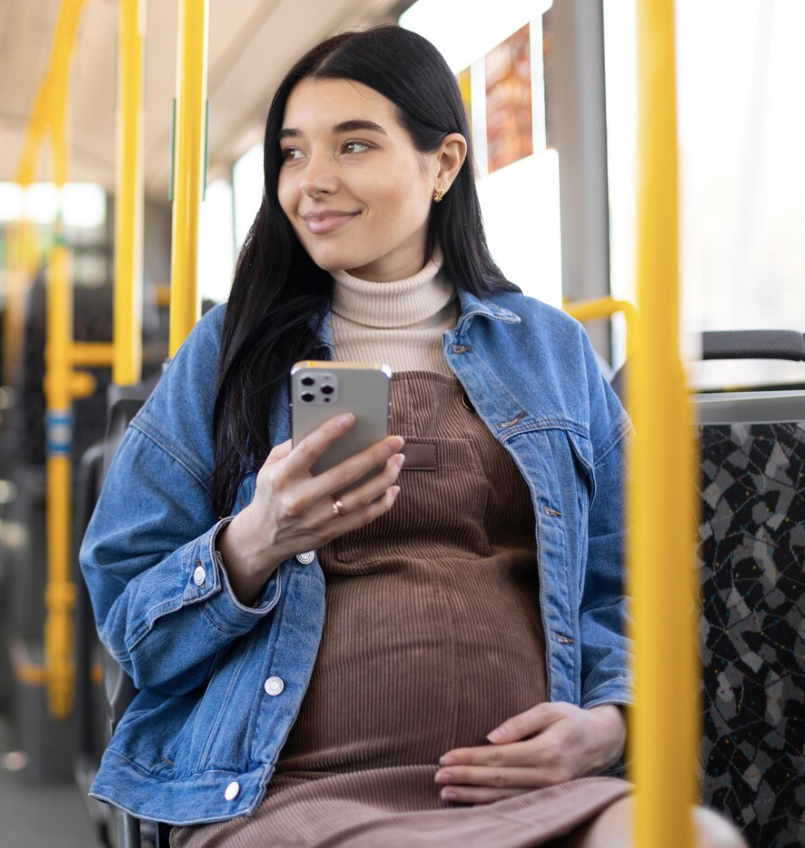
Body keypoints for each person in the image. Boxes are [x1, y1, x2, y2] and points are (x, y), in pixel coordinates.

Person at [80, 26, 743, 848]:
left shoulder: (551, 350)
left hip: (529, 788)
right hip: (280, 790)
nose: (312, 182)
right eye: (292, 154)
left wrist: (610, 722)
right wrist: (254, 541)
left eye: (352, 145)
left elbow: (629, 581)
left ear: (445, 164)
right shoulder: (225, 357)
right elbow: (125, 612)